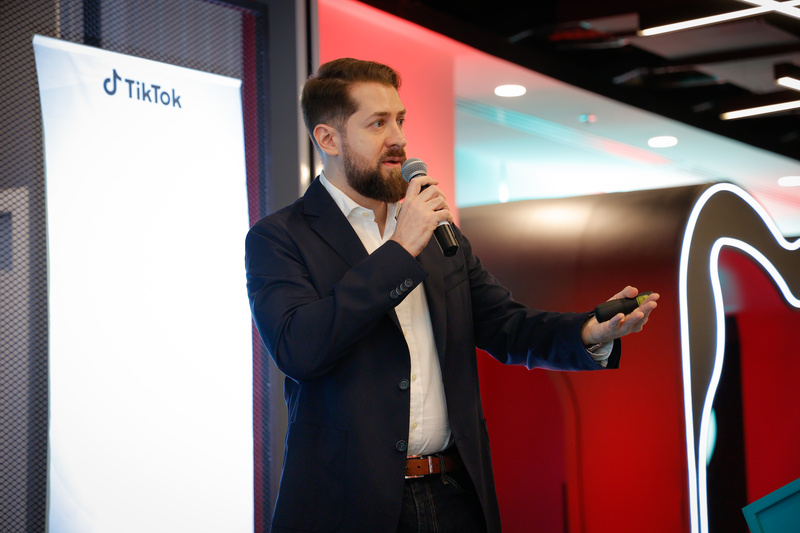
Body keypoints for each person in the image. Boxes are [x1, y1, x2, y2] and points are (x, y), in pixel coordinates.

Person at [245, 57, 659, 533]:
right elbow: (300, 348)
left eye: (400, 120)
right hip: (348, 507)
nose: (398, 138)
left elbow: (506, 325)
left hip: (454, 496)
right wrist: (400, 250)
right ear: (328, 139)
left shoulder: (437, 233)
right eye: (377, 123)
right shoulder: (280, 238)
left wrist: (589, 331)